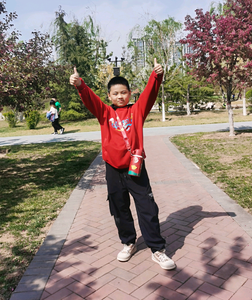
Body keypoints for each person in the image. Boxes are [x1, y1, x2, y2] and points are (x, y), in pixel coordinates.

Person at [69, 59, 176, 270]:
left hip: (135, 169)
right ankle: (129, 242)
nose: (120, 96)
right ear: (109, 96)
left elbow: (150, 93)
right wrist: (80, 84)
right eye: (115, 93)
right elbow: (90, 100)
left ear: (130, 94)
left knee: (147, 207)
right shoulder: (105, 113)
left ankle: (157, 249)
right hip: (113, 169)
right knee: (119, 208)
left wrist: (157, 75)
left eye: (124, 92)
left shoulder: (137, 110)